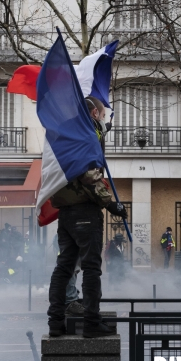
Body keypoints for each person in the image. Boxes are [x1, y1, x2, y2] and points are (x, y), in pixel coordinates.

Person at [47, 96, 127, 338]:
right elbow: (89, 173)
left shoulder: (66, 132)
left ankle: (55, 322)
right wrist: (111, 205)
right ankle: (92, 321)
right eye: (102, 116)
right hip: (85, 209)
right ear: (94, 114)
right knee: (92, 267)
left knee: (64, 268)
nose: (103, 119)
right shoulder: (86, 133)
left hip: (66, 211)